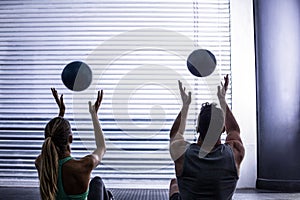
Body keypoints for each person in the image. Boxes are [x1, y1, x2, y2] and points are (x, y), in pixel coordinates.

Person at [169, 75, 245, 200]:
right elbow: (234, 130)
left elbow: (175, 134)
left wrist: (186, 105)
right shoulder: (235, 153)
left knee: (174, 184)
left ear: (197, 128)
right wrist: (222, 99)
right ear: (223, 129)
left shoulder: (182, 153)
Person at [35, 88, 114, 200]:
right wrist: (94, 114)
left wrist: (61, 113)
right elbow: (102, 147)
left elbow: (54, 137)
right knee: (97, 182)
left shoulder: (41, 163)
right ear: (70, 138)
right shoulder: (83, 166)